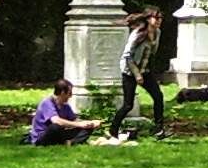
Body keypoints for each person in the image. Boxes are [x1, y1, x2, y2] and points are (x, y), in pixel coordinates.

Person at [110, 8, 169, 140]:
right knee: (128, 105)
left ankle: (159, 129)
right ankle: (113, 130)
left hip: (145, 71)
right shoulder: (137, 34)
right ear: (148, 19)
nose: (159, 21)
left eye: (161, 18)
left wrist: (146, 72)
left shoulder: (157, 33)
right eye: (156, 18)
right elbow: (127, 56)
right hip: (129, 71)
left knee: (158, 97)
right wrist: (137, 74)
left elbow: (151, 54)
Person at [28, 78, 102, 145]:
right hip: (43, 136)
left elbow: (75, 120)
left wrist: (89, 123)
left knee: (87, 128)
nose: (71, 96)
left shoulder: (66, 106)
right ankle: (70, 142)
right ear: (62, 92)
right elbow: (56, 121)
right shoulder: (47, 102)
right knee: (55, 127)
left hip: (59, 134)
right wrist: (80, 124)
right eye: (69, 93)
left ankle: (70, 143)